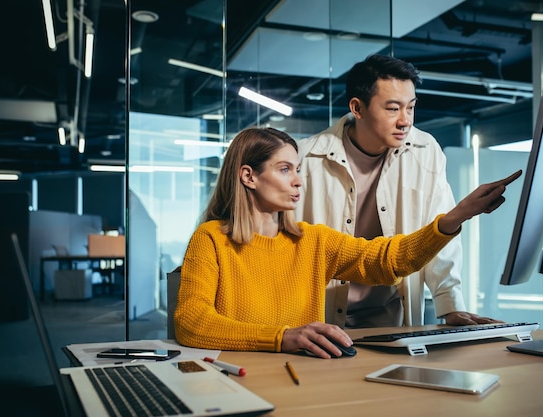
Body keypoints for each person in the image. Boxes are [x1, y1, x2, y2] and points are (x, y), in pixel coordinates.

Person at [174, 126, 521, 359]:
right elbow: (192, 322)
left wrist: (453, 218)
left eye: (298, 170)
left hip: (303, 380)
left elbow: (388, 260)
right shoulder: (211, 240)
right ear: (248, 176)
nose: (298, 181)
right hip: (237, 379)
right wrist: (282, 338)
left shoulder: (312, 241)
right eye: (284, 170)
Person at [296, 54, 490, 328]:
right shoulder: (306, 158)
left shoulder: (425, 151)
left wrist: (450, 305)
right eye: (392, 109)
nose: (405, 120)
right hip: (319, 320)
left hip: (391, 318)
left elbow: (437, 231)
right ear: (357, 108)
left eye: (410, 108)